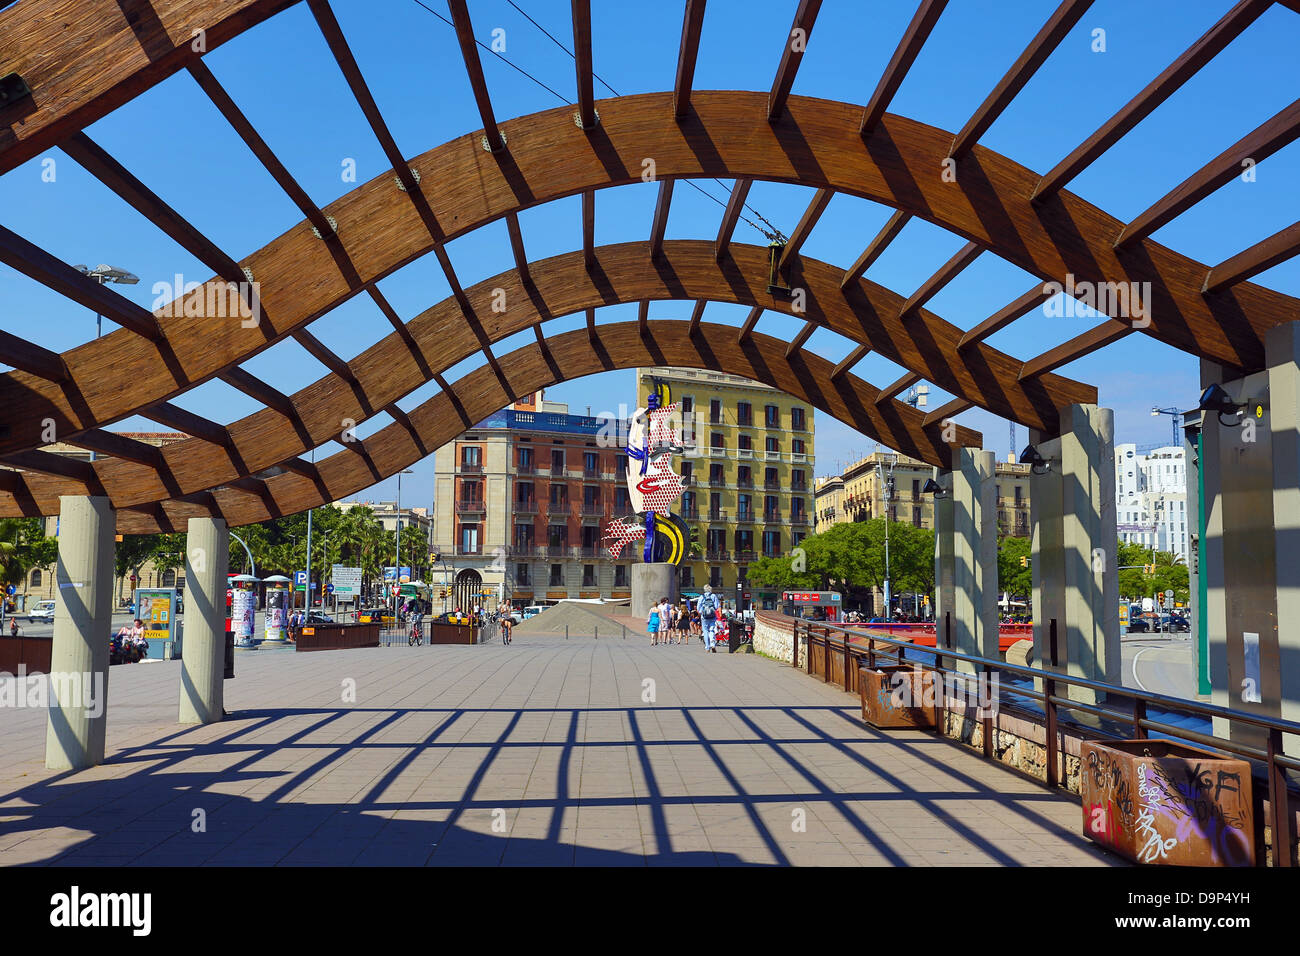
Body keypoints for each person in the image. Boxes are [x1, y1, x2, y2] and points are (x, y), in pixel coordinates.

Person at [698, 584, 721, 653]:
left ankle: (707, 647)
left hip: (704, 617)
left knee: (705, 632)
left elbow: (699, 608)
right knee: (712, 630)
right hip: (712, 616)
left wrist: (702, 612)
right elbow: (717, 606)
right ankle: (713, 644)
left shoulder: (701, 597)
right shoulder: (713, 596)